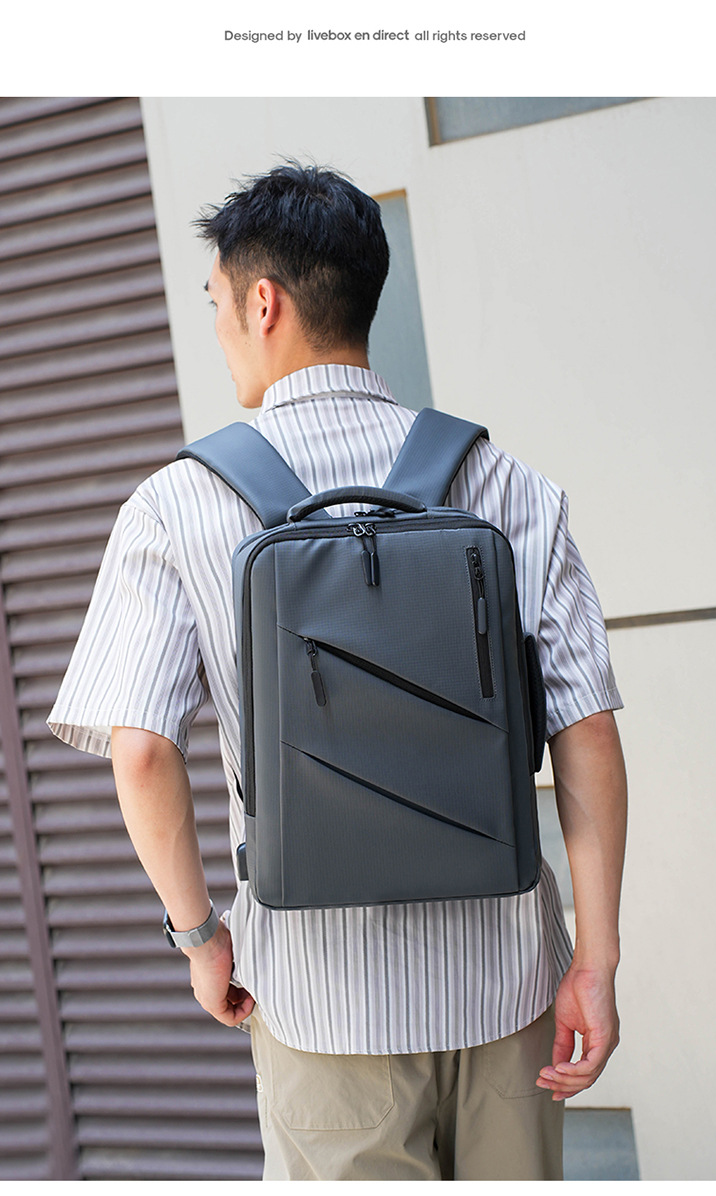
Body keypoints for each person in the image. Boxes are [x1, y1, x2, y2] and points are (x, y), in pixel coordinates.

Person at [48, 162, 627, 1181]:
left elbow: (140, 751)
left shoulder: (176, 506)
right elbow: (587, 731)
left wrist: (199, 937)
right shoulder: (508, 484)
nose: (219, 328)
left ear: (263, 302)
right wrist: (596, 959)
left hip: (321, 1004)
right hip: (508, 984)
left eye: (217, 302)